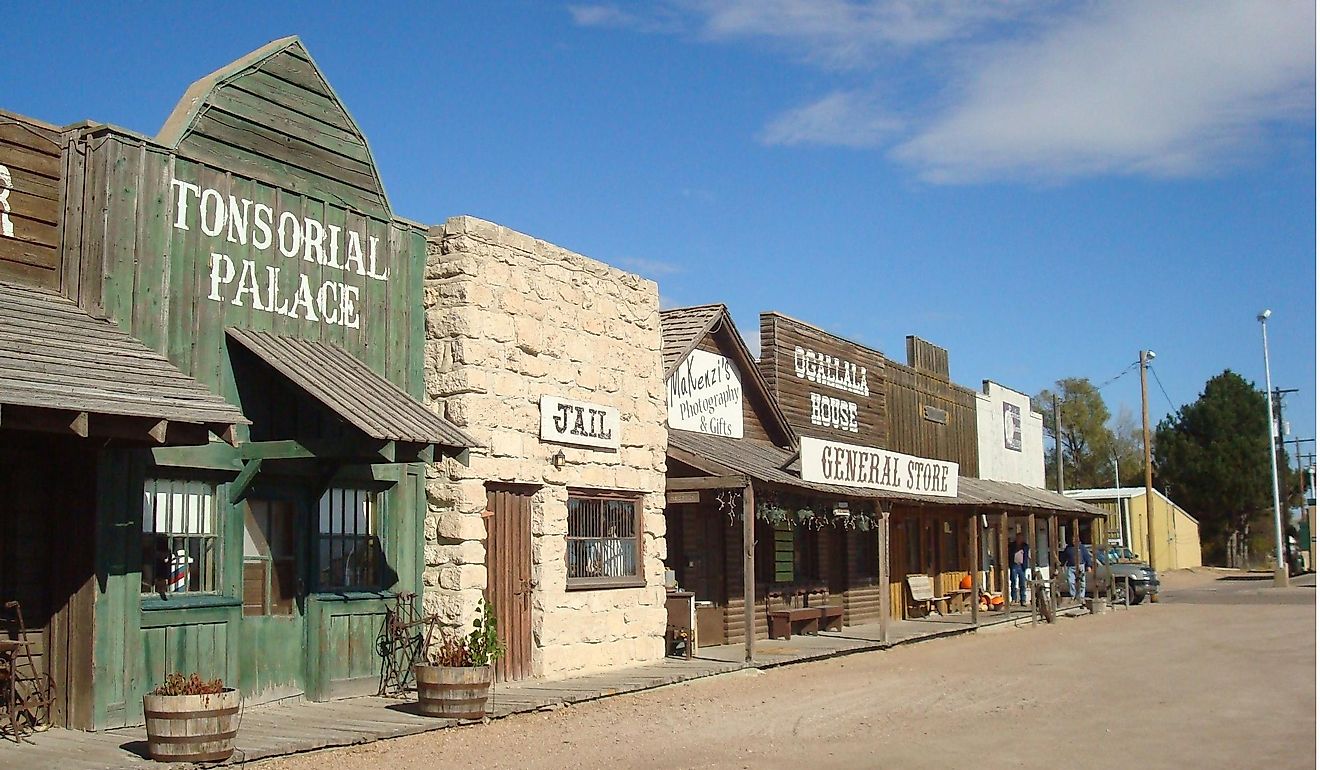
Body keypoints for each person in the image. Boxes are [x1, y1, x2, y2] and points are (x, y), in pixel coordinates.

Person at [1009, 535, 1030, 606]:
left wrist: (1026, 565)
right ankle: (1014, 599)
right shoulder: (1012, 546)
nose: (1019, 539)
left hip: (1021, 566)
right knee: (1013, 582)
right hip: (1014, 565)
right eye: (1018, 538)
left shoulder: (1025, 546)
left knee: (1022, 583)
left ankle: (1023, 600)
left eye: (1021, 538)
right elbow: (1009, 554)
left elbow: (1027, 556)